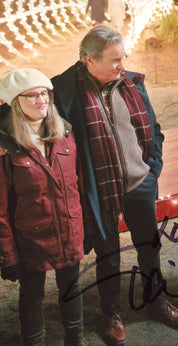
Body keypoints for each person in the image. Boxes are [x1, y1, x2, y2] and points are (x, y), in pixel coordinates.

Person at [52, 26, 178, 345]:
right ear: (90, 60)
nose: (121, 64)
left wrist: (152, 169)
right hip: (99, 191)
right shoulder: (63, 90)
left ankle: (156, 302)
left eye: (123, 56)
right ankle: (111, 313)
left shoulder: (132, 83)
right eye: (115, 59)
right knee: (108, 255)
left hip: (140, 183)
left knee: (149, 247)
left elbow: (152, 127)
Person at [0, 68, 85, 345]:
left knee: (72, 289)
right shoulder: (7, 148)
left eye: (45, 94)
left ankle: (76, 338)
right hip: (30, 239)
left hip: (68, 230)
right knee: (32, 296)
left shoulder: (66, 134)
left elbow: (78, 187)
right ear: (16, 102)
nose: (41, 101)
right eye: (32, 95)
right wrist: (8, 255)